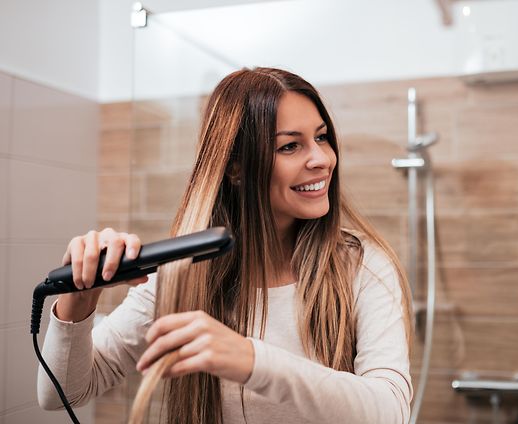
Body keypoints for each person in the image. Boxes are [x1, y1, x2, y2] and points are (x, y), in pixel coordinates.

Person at [37, 67, 413, 424]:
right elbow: (61, 394)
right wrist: (79, 302)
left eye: (321, 137)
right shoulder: (183, 275)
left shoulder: (363, 266)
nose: (322, 159)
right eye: (290, 147)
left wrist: (251, 361)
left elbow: (391, 411)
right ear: (235, 168)